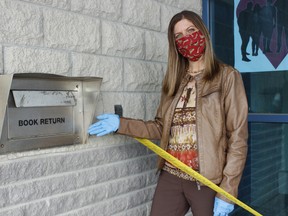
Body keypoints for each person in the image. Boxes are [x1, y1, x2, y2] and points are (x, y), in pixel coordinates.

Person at [89, 10, 248, 216]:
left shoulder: (227, 77)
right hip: (171, 177)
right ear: (175, 44)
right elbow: (160, 127)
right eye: (179, 36)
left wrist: (228, 193)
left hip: (207, 180)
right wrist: (121, 124)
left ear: (203, 32)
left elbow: (238, 139)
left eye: (191, 31)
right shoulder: (174, 81)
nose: (186, 39)